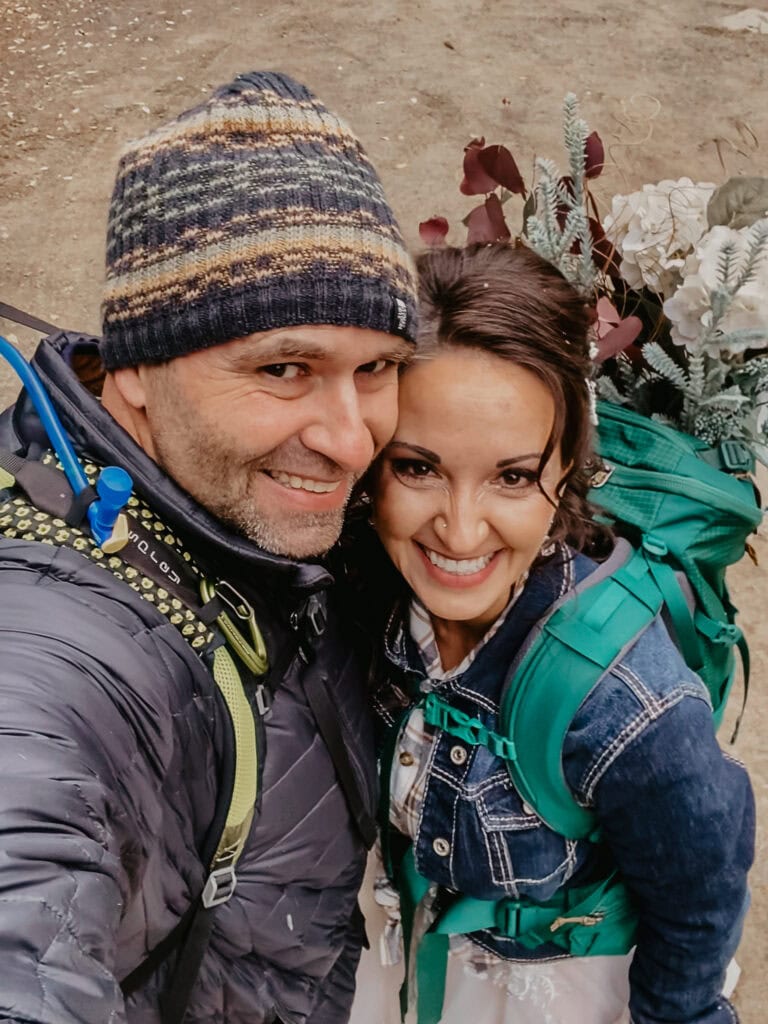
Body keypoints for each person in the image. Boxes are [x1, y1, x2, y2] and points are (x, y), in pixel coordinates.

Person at [0, 71, 418, 1023]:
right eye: (284, 368)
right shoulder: (46, 657)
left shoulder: (226, 496)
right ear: (138, 367)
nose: (354, 440)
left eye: (379, 369)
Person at [353, 243, 754, 1024]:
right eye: (417, 468)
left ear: (570, 467)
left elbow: (698, 894)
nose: (460, 532)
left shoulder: (628, 702)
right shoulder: (358, 590)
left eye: (511, 476)